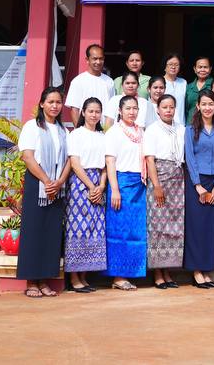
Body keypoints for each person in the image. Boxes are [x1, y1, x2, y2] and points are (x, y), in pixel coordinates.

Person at [16, 86, 71, 297]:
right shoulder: (32, 127)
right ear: (42, 104)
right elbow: (27, 156)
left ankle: (45, 280)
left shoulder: (63, 130)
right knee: (34, 232)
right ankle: (32, 281)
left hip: (57, 186)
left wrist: (59, 182)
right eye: (51, 102)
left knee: (51, 234)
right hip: (38, 183)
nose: (55, 106)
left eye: (58, 102)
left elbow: (69, 159)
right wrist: (47, 181)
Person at [183, 89, 214, 288]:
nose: (207, 107)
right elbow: (190, 158)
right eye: (204, 104)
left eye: (211, 104)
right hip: (196, 184)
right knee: (196, 227)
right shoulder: (190, 129)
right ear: (198, 106)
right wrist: (198, 185)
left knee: (209, 228)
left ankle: (206, 269)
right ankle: (196, 271)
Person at [105, 95, 149, 290]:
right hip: (121, 183)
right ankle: (118, 276)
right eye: (128, 108)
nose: (132, 112)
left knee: (136, 230)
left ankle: (132, 272)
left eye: (135, 108)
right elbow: (110, 161)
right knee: (120, 230)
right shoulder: (114, 132)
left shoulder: (141, 131)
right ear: (120, 111)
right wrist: (115, 189)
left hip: (140, 184)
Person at [65, 98, 107, 293]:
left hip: (98, 182)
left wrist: (101, 186)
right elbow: (74, 163)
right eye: (90, 111)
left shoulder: (103, 136)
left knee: (94, 228)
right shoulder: (76, 134)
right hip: (80, 183)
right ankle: (74, 277)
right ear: (83, 112)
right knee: (78, 228)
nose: (94, 115)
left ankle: (84, 275)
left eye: (97, 111)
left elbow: (106, 164)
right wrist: (91, 186)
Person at [144, 94, 185, 288]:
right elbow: (150, 159)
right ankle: (157, 272)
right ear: (158, 109)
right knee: (158, 226)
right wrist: (157, 185)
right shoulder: (152, 130)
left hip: (178, 180)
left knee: (174, 226)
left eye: (171, 107)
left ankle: (168, 270)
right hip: (160, 178)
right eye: (164, 107)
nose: (168, 110)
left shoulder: (181, 129)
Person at [64, 44, 114, 125]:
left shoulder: (109, 81)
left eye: (101, 59)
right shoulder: (78, 81)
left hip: (105, 129)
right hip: (85, 128)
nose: (98, 62)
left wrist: (108, 130)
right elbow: (74, 110)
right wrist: (79, 130)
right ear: (87, 60)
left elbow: (112, 109)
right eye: (95, 59)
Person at [184, 56, 214, 121]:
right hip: (190, 123)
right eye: (200, 67)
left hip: (209, 123)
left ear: (210, 69)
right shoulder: (188, 87)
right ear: (195, 69)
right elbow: (185, 109)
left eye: (205, 67)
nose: (202, 70)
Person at [160, 53, 188, 123]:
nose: (173, 67)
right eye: (170, 64)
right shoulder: (159, 82)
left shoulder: (183, 82)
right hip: (163, 123)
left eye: (176, 65)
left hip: (181, 123)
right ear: (165, 66)